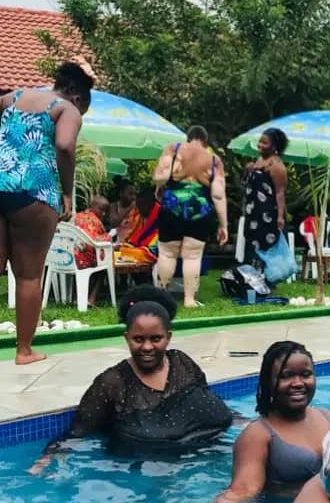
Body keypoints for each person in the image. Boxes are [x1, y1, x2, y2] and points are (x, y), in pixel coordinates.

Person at [33, 287, 233, 463]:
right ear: (127, 338)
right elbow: (78, 430)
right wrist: (47, 458)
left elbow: (205, 401)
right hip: (141, 469)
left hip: (204, 456)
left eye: (156, 339)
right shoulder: (111, 383)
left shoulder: (182, 363)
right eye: (138, 339)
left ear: (168, 337)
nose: (147, 347)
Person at [184, 341, 330, 503]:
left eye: (306, 374)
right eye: (286, 376)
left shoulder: (327, 418)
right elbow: (243, 490)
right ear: (268, 382)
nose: (298, 383)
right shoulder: (257, 435)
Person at [0, 61, 92, 365]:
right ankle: (24, 351)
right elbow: (64, 145)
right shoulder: (67, 108)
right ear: (77, 97)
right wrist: (67, 192)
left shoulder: (12, 97)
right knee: (28, 275)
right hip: (35, 193)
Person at [154, 125, 228, 308]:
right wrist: (223, 225)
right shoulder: (214, 160)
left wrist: (159, 187)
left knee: (167, 253)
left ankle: (162, 296)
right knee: (193, 256)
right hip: (200, 210)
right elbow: (218, 195)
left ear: (188, 138)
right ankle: (189, 300)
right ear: (205, 141)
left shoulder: (174, 149)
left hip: (172, 207)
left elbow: (160, 176)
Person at [241, 127, 288, 268]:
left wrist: (280, 217)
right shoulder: (259, 161)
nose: (260, 145)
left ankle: (264, 276)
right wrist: (249, 169)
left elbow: (280, 193)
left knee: (264, 246)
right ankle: (250, 274)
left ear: (274, 147)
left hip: (267, 215)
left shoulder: (277, 167)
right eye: (260, 141)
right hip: (252, 213)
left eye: (265, 143)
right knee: (251, 245)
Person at [74, 194, 112, 305]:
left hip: (70, 257)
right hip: (84, 258)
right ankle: (92, 299)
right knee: (104, 265)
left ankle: (78, 296)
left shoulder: (77, 216)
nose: (104, 214)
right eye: (101, 210)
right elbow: (94, 241)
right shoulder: (94, 221)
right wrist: (109, 238)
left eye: (106, 211)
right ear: (92, 206)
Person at [115, 186, 160, 267]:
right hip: (141, 250)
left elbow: (153, 251)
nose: (139, 209)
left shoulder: (162, 217)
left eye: (142, 206)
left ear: (150, 204)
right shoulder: (140, 216)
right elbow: (135, 238)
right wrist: (124, 246)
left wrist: (125, 250)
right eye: (138, 206)